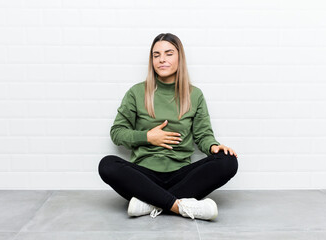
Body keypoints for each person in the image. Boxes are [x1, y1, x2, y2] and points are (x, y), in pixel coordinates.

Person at [98, 33, 238, 221]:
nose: (161, 59)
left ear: (180, 57)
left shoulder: (194, 95)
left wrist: (213, 146)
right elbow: (117, 133)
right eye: (156, 55)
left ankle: (149, 203)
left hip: (181, 175)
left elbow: (203, 135)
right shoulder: (136, 92)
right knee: (107, 165)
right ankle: (180, 206)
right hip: (145, 176)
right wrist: (147, 137)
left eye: (168, 53)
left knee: (228, 161)